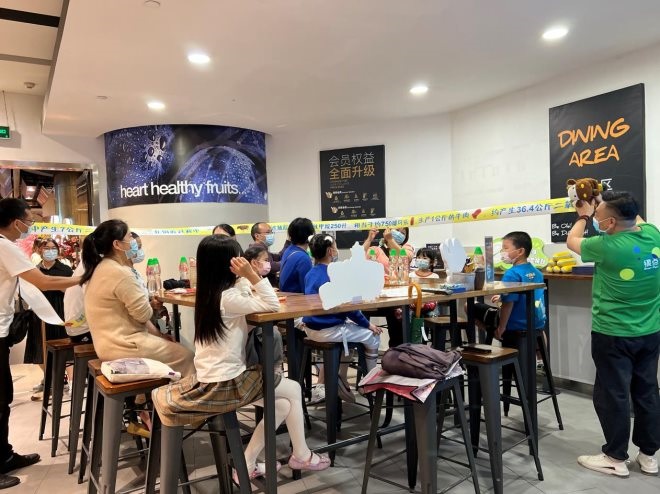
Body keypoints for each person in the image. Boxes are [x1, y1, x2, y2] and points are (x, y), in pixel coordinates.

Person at [152, 235, 330, 482]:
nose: (241, 262)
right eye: (237, 259)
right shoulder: (228, 298)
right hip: (226, 382)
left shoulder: (211, 293)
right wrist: (252, 275)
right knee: (293, 389)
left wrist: (244, 278)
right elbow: (272, 304)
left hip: (212, 377)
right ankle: (301, 455)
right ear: (228, 264)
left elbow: (246, 294)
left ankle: (247, 463)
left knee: (282, 404)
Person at [567, 191, 659, 477]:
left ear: (610, 223)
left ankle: (615, 457)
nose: (596, 216)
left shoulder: (605, 245)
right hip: (650, 331)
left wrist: (583, 216)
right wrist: (603, 198)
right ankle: (648, 455)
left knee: (613, 394)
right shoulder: (652, 234)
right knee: (647, 392)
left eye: (599, 215)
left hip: (613, 333)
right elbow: (634, 215)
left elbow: (572, 240)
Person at [0, 198, 81, 489]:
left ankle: (5, 456)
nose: (30, 226)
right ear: (15, 222)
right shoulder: (5, 246)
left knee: (3, 398)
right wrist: (83, 278)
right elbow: (43, 282)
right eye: (29, 221)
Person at [82, 219, 194, 377]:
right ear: (117, 244)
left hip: (107, 345)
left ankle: (153, 392)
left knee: (172, 346)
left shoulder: (102, 267)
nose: (133, 241)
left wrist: (158, 334)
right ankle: (183, 392)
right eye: (129, 237)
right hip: (125, 345)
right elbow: (143, 315)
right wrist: (151, 305)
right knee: (187, 356)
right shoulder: (120, 273)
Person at [303, 234, 382, 403]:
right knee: (373, 336)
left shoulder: (310, 273)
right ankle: (370, 384)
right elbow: (349, 308)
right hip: (328, 330)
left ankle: (341, 379)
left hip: (310, 328)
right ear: (330, 251)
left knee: (353, 331)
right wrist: (368, 325)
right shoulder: (335, 274)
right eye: (335, 246)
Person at [24, 238, 74, 401]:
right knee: (40, 347)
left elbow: (73, 291)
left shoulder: (65, 270)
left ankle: (71, 381)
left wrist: (58, 286)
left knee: (64, 346)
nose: (50, 251)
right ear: (40, 250)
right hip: (39, 313)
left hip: (59, 312)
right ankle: (49, 380)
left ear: (58, 251)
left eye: (53, 248)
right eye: (46, 248)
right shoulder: (35, 270)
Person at [362, 227, 414, 348]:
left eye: (403, 233)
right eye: (397, 230)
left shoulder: (406, 248)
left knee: (397, 313)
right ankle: (366, 352)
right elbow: (360, 255)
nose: (399, 234)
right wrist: (369, 239)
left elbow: (405, 257)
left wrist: (391, 240)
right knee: (362, 311)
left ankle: (397, 350)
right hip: (378, 297)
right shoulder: (377, 250)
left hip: (397, 298)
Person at [279, 218, 315, 293]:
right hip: (297, 298)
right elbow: (307, 289)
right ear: (310, 235)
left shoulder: (289, 250)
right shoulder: (303, 258)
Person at [249, 222, 282, 287]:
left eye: (271, 232)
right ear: (257, 236)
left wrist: (288, 241)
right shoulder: (257, 249)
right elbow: (271, 266)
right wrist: (287, 263)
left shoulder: (263, 248)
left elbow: (278, 256)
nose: (271, 235)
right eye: (268, 232)